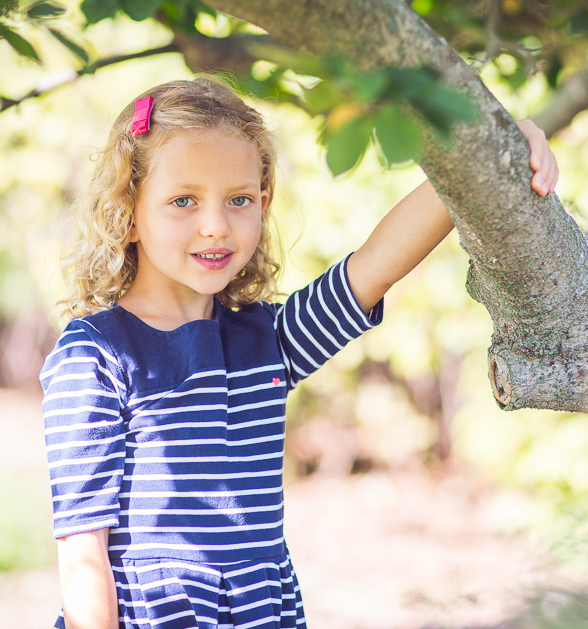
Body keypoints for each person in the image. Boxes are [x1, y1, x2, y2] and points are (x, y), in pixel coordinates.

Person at [40, 77, 558, 629]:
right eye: (183, 200)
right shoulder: (96, 354)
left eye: (238, 200)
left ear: (262, 204)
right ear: (128, 209)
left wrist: (498, 147)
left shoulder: (270, 342)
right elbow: (82, 555)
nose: (215, 225)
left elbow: (377, 264)